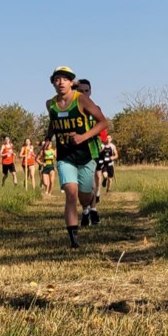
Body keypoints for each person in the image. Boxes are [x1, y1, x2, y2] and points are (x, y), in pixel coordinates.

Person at [38, 66, 109, 248]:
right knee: (71, 193)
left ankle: (88, 206)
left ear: (71, 82)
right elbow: (53, 123)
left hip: (85, 154)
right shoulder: (50, 104)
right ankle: (74, 240)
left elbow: (103, 122)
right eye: (57, 79)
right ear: (53, 83)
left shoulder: (82, 101)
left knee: (84, 196)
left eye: (65, 79)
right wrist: (48, 138)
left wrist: (83, 137)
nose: (60, 82)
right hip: (64, 156)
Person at [74, 78, 107, 223]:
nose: (84, 93)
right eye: (80, 90)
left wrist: (102, 144)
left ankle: (92, 210)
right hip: (75, 151)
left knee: (91, 180)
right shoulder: (72, 109)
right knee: (80, 185)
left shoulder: (96, 109)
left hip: (92, 149)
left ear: (91, 92)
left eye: (86, 90)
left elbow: (103, 129)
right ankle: (86, 209)